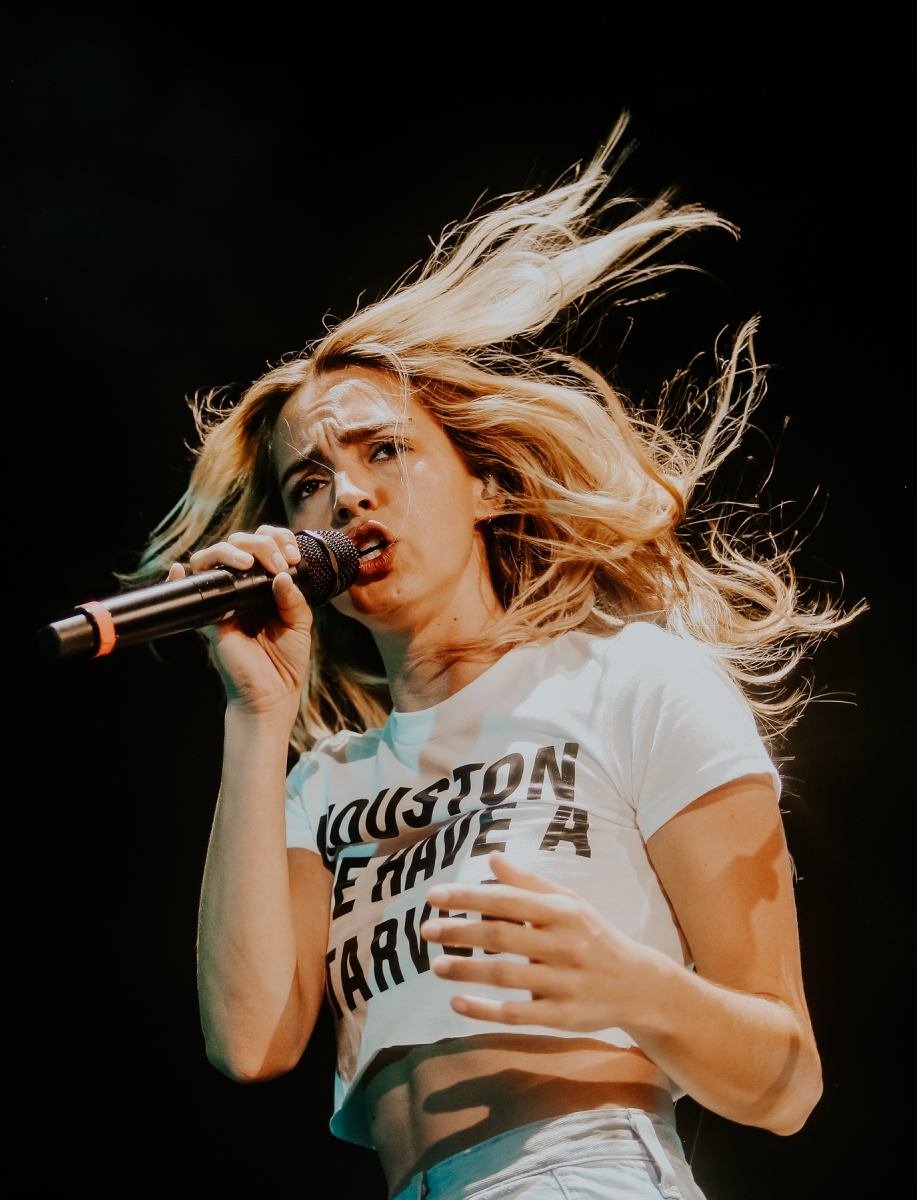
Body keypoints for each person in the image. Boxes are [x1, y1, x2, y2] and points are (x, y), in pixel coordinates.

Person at [138, 120, 852, 1199]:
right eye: (307, 483)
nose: (347, 494)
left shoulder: (629, 681)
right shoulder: (325, 779)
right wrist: (257, 715)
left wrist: (632, 985)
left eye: (385, 450)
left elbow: (788, 1084)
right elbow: (248, 1043)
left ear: (486, 485)